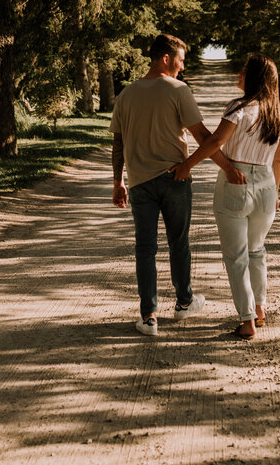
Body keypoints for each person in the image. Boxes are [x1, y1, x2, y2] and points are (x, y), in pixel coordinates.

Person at [111, 34, 245, 337]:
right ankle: (184, 303)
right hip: (175, 179)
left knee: (145, 248)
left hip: (140, 183)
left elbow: (118, 143)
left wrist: (118, 182)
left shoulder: (125, 95)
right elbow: (202, 135)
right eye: (181, 60)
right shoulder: (178, 90)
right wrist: (227, 167)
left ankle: (148, 318)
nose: (183, 67)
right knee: (178, 243)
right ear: (166, 58)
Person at [170, 54, 280, 340]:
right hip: (267, 187)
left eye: (244, 70)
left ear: (254, 78)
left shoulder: (240, 108)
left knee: (236, 257)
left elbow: (214, 142)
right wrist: (276, 193)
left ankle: (247, 321)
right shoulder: (277, 118)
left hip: (237, 183)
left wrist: (187, 165)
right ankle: (260, 308)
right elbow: (278, 163)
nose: (240, 73)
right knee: (257, 250)